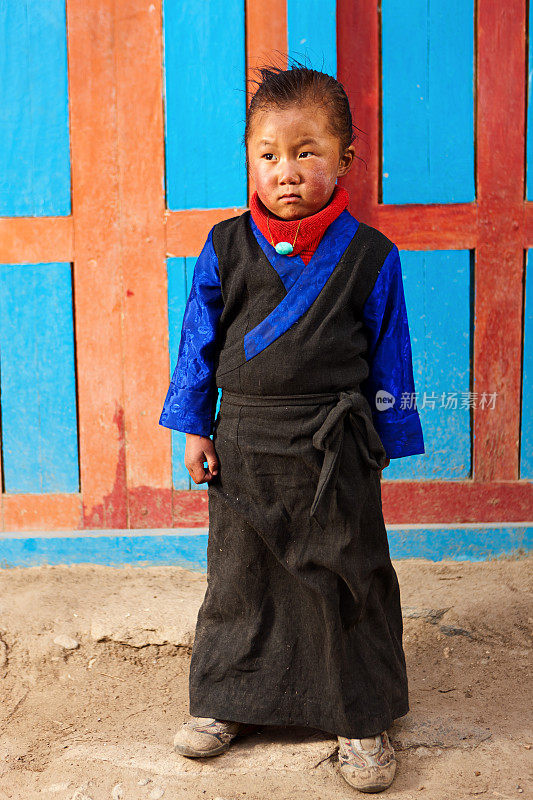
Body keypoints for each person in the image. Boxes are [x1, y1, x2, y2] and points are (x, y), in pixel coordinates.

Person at [159, 63, 425, 794]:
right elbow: (196, 348)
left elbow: (390, 355)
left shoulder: (372, 256)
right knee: (240, 576)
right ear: (249, 159)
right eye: (268, 154)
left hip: (334, 448)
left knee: (344, 575)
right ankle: (229, 702)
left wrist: (385, 442)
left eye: (307, 153)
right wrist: (194, 427)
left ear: (345, 158)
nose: (286, 172)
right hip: (243, 441)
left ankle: (359, 715)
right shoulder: (222, 247)